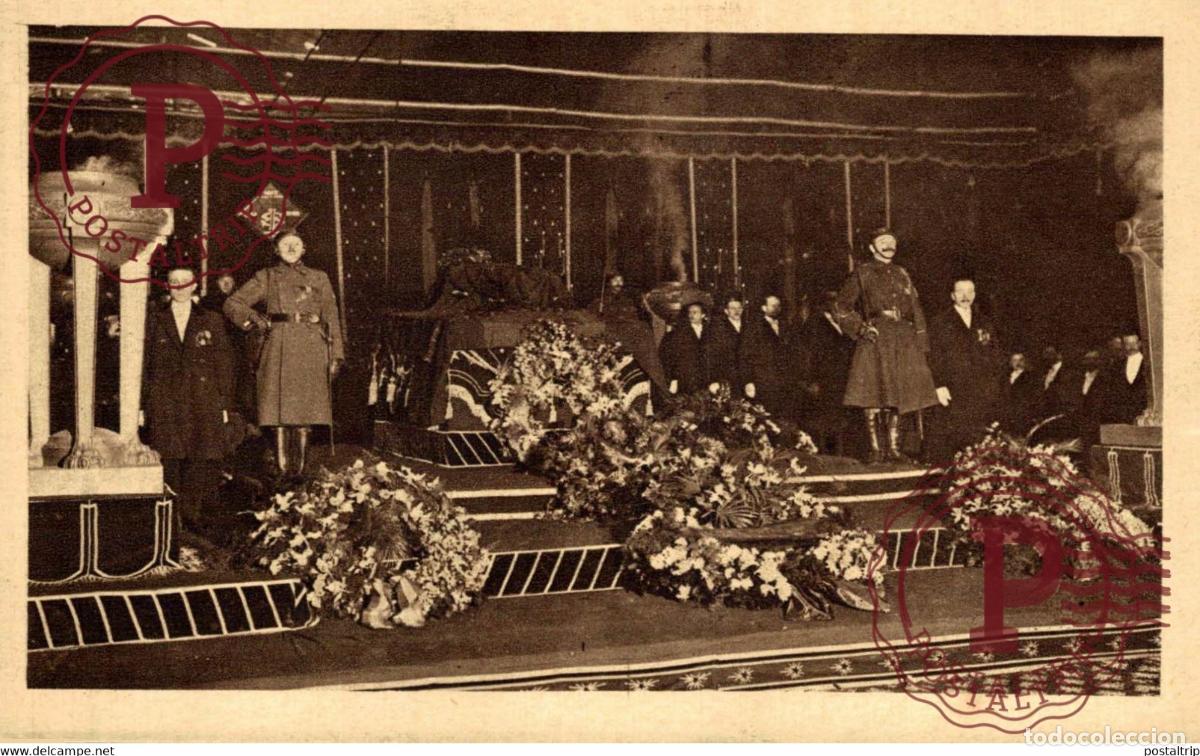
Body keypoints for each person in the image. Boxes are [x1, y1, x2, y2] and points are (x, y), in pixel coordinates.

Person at [224, 232, 344, 479]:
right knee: (277, 413)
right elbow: (233, 303)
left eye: (296, 244)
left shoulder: (319, 277)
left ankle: (300, 473)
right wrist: (254, 319)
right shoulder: (267, 276)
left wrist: (336, 355)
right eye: (285, 244)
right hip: (278, 347)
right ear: (276, 250)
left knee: (305, 412)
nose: (291, 248)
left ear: (304, 249)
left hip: (312, 349)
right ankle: (281, 473)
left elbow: (331, 317)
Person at [142, 266, 236, 541]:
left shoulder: (211, 319)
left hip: (202, 400)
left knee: (200, 459)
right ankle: (171, 523)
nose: (180, 286)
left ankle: (193, 520)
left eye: (186, 281)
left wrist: (224, 404)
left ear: (195, 285)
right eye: (174, 281)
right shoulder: (154, 319)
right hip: (165, 400)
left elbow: (224, 363)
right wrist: (141, 405)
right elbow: (144, 364)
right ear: (167, 286)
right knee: (169, 458)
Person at [832, 228, 938, 464]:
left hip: (904, 338)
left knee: (900, 392)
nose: (888, 245)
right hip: (878, 339)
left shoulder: (902, 273)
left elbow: (916, 308)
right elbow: (841, 306)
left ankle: (894, 448)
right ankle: (876, 449)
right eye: (882, 242)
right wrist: (861, 328)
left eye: (891, 241)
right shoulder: (862, 273)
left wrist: (921, 342)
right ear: (872, 247)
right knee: (873, 393)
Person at [924, 277, 1003, 462]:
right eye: (960, 291)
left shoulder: (985, 322)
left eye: (969, 291)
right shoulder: (940, 322)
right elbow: (934, 356)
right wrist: (939, 385)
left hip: (981, 390)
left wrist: (993, 384)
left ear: (974, 295)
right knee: (954, 440)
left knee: (980, 441)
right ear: (953, 295)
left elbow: (995, 355)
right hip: (953, 390)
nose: (965, 296)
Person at [799, 290, 855, 455]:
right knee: (824, 418)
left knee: (839, 417)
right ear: (826, 305)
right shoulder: (815, 323)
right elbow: (808, 353)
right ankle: (826, 454)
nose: (837, 307)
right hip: (824, 378)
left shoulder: (842, 323)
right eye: (834, 303)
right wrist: (811, 380)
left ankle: (840, 453)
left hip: (841, 377)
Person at [741, 293, 800, 421]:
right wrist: (749, 380)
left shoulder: (785, 326)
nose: (777, 308)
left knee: (786, 417)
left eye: (779, 306)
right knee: (768, 418)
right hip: (765, 381)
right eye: (773, 306)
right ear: (764, 308)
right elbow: (746, 356)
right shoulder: (754, 328)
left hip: (785, 381)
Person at [659, 302, 716, 397]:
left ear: (703, 315)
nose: (691, 315)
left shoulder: (711, 332)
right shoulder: (679, 332)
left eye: (695, 312)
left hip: (706, 379)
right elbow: (672, 357)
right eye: (690, 312)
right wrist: (674, 379)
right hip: (686, 378)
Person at [1106, 333, 1148, 424]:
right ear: (1124, 346)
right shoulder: (1117, 365)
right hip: (1124, 414)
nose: (1131, 346)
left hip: (1144, 412)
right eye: (1128, 344)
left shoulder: (1148, 363)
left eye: (1134, 343)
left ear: (1140, 343)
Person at [708, 293, 746, 392]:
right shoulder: (718, 329)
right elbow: (714, 355)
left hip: (746, 376)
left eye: (739, 308)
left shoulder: (749, 327)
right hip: (728, 375)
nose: (736, 311)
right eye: (732, 308)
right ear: (726, 311)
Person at [1002, 351, 1040, 436]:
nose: (1018, 363)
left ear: (1025, 362)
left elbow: (1034, 395)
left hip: (1023, 413)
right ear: (1011, 362)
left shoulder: (1031, 376)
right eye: (1015, 360)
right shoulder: (1006, 377)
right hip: (1008, 413)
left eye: (1020, 360)